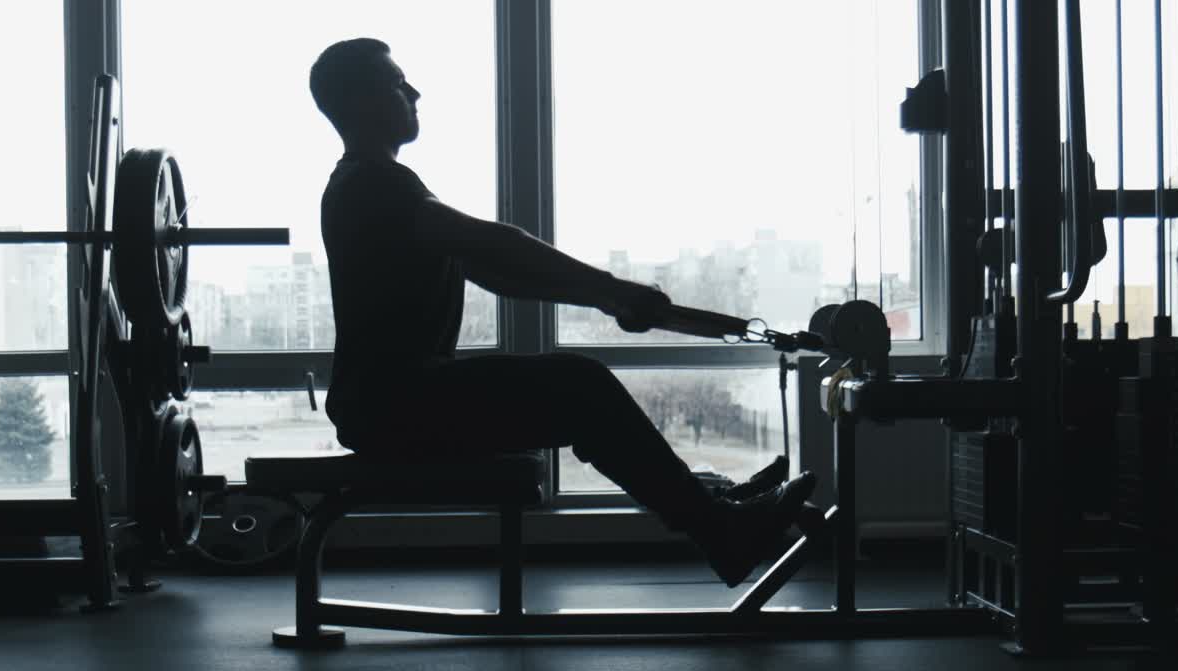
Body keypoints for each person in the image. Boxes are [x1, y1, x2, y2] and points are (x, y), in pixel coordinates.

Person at [308, 37, 816, 587]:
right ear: (359, 102)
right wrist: (612, 290)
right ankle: (719, 528)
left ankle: (712, 507)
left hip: (392, 402)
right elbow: (496, 245)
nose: (414, 92)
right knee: (579, 385)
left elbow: (501, 275)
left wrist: (608, 298)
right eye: (396, 83)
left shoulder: (373, 185)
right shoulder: (374, 184)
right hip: (393, 406)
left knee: (577, 384)